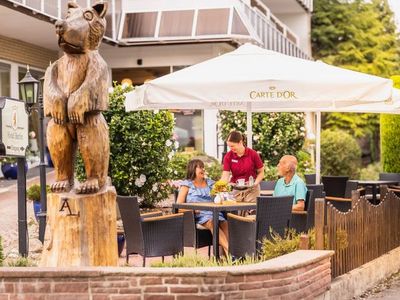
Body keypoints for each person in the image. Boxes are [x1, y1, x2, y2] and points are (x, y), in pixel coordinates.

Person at [177, 159, 229, 255]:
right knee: (213, 222)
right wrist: (192, 210)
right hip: (197, 215)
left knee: (224, 223)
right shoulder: (186, 185)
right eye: (200, 167)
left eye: (203, 167)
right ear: (193, 169)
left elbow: (222, 191)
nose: (203, 169)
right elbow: (178, 207)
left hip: (214, 212)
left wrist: (223, 191)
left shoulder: (210, 183)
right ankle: (230, 252)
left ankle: (228, 256)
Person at [221, 130, 264, 203]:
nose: (230, 148)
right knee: (236, 213)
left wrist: (255, 183)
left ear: (240, 142)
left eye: (232, 146)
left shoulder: (253, 154)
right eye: (229, 146)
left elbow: (261, 172)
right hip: (236, 190)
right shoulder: (228, 156)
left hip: (252, 190)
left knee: (251, 213)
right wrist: (221, 187)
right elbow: (225, 175)